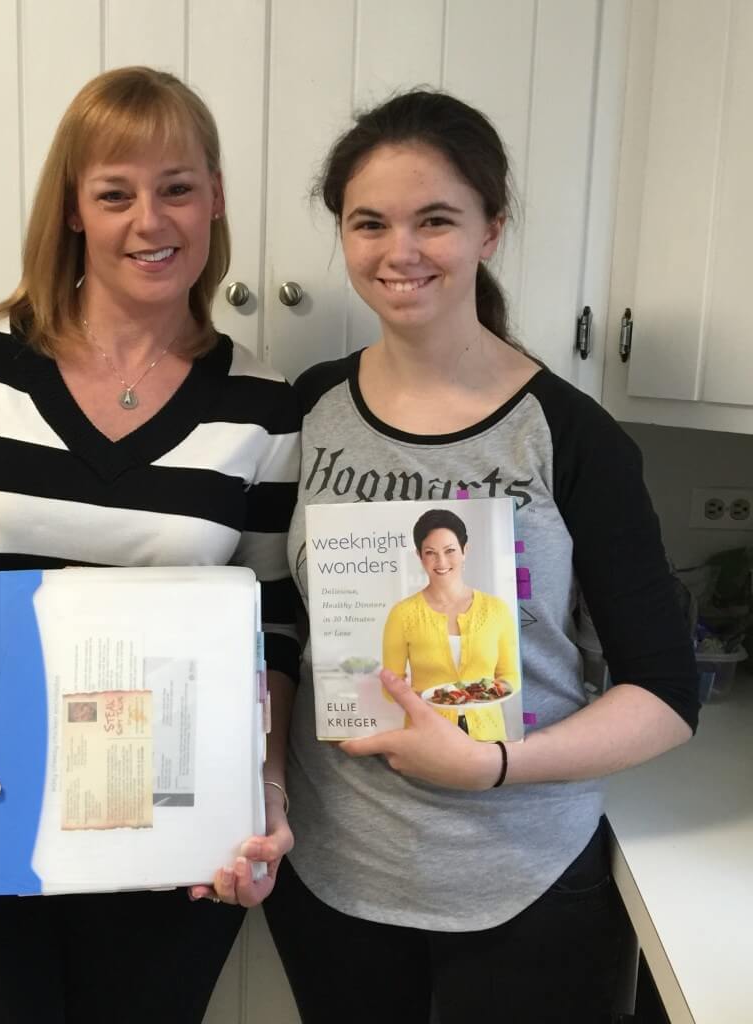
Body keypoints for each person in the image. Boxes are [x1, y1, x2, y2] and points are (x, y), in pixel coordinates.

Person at [0, 66, 299, 1024]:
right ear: (71, 211)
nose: (152, 220)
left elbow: (273, 629)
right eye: (115, 192)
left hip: (171, 832)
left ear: (215, 200)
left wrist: (263, 793)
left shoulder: (264, 405)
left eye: (179, 187)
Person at [264, 89, 699, 1023]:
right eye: (369, 222)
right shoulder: (306, 410)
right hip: (333, 875)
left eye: (436, 220)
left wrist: (494, 768)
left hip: (526, 877)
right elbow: (275, 627)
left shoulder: (571, 435)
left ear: (490, 230)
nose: (400, 250)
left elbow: (666, 692)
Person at [382, 507, 520, 740]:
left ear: (465, 550)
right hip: (426, 734)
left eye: (450, 551)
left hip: (489, 734)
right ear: (419, 556)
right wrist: (423, 699)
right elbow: (390, 686)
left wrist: (485, 694)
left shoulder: (496, 610)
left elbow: (511, 676)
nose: (441, 561)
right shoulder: (401, 614)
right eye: (430, 552)